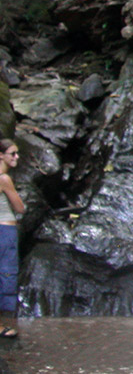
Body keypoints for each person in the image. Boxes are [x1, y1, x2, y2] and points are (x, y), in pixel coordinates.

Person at [0, 139, 25, 339]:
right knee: (5, 274)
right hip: (5, 231)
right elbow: (20, 208)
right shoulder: (4, 179)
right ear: (1, 155)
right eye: (13, 153)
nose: (17, 157)